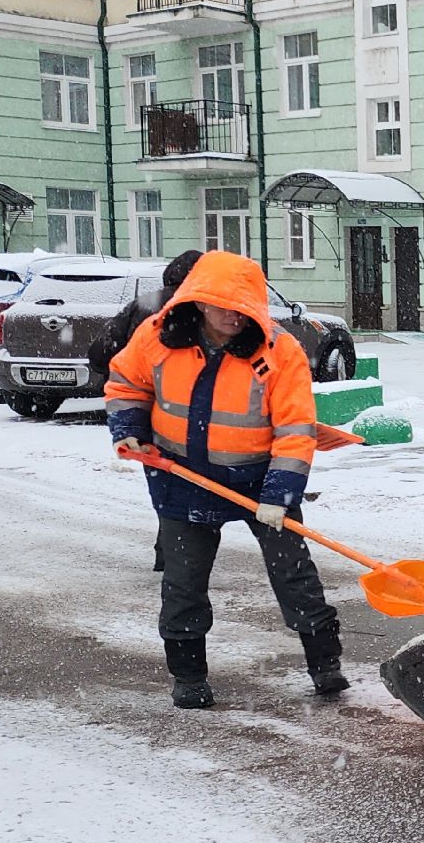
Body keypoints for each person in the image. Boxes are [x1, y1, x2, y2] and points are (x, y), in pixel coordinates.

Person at [103, 251, 348, 709]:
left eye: (243, 307)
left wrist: (280, 494)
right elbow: (125, 384)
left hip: (260, 483)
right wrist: (130, 430)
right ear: (197, 301)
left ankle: (325, 664)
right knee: (183, 582)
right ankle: (188, 675)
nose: (234, 317)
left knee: (294, 574)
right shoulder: (158, 337)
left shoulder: (278, 351)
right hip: (183, 481)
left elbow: (296, 429)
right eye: (221, 306)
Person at [89, 249, 204, 572]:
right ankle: (179, 553)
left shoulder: (145, 305)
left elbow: (99, 353)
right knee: (192, 479)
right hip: (189, 412)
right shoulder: (207, 309)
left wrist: (130, 369)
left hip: (144, 412)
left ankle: (171, 550)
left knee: (165, 480)